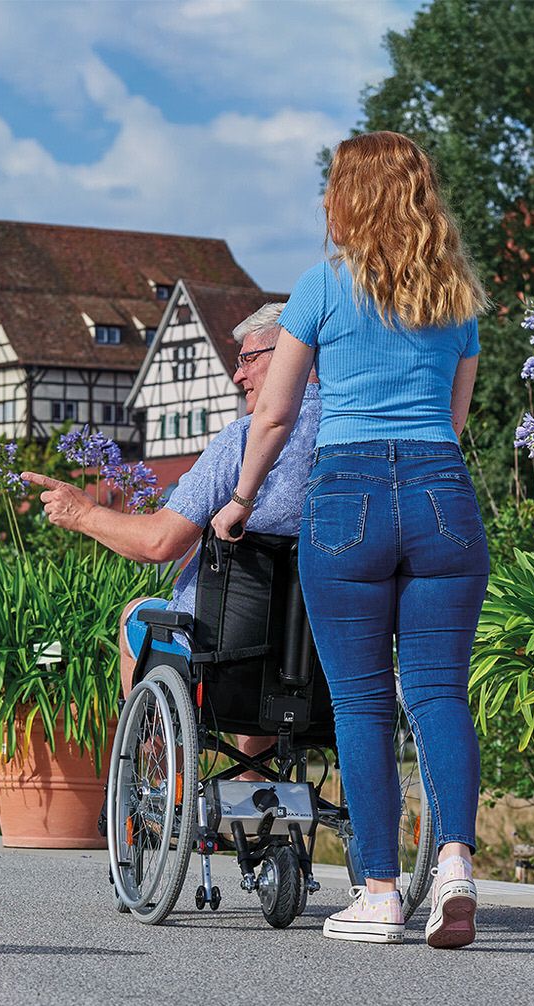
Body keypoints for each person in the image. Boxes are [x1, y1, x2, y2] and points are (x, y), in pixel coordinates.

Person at [211, 131, 488, 949]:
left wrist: (240, 500)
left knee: (365, 702)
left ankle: (378, 892)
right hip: (443, 494)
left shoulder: (321, 288)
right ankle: (457, 865)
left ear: (349, 199)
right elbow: (457, 419)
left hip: (348, 501)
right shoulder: (457, 296)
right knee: (438, 692)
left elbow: (275, 413)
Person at [22, 303, 322, 704]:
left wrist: (85, 514)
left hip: (218, 661)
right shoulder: (350, 435)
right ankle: (250, 770)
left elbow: (159, 543)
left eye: (248, 359)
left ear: (287, 353)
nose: (238, 375)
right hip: (320, 665)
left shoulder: (244, 441)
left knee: (136, 613)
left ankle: (156, 763)